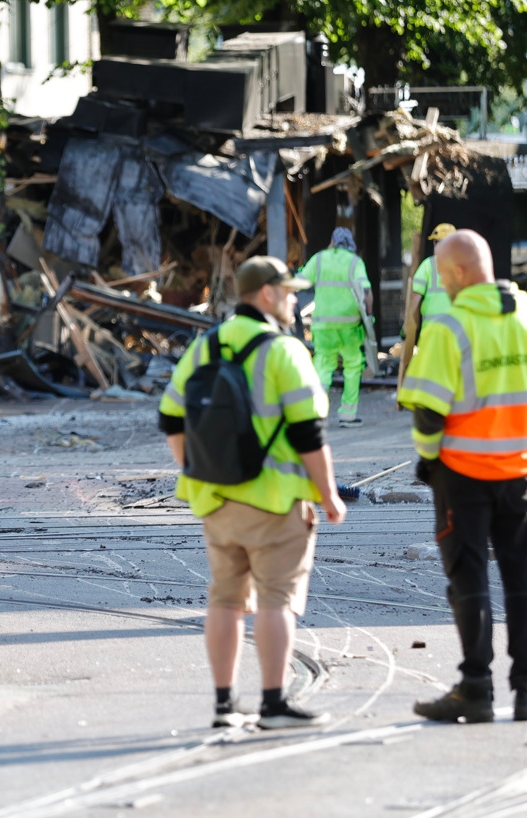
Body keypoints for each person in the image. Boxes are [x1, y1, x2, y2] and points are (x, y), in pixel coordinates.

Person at [396, 230, 527, 723]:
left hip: (462, 476)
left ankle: (475, 689)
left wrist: (429, 461)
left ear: (458, 271)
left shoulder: (448, 326)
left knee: (469, 580)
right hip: (520, 475)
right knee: (522, 582)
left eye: (439, 270)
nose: (436, 279)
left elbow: (427, 413)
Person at [158, 256, 346, 730]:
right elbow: (308, 434)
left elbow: (169, 419)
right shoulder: (285, 352)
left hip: (216, 500)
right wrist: (328, 496)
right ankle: (274, 704)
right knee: (275, 602)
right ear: (266, 294)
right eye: (287, 291)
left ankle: (224, 706)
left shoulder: (205, 345)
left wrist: (193, 470)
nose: (294, 299)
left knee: (223, 600)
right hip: (276, 500)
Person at [297, 226, 373, 427]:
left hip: (322, 325)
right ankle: (348, 415)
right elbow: (365, 290)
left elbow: (300, 283)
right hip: (350, 325)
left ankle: (316, 414)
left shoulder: (319, 259)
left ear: (332, 241)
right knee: (353, 365)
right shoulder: (355, 262)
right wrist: (369, 317)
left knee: (323, 365)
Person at [409, 223, 457, 321]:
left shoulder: (428, 265)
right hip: (456, 326)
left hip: (432, 326)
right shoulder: (463, 265)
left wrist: (410, 324)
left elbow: (415, 297)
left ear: (435, 243)